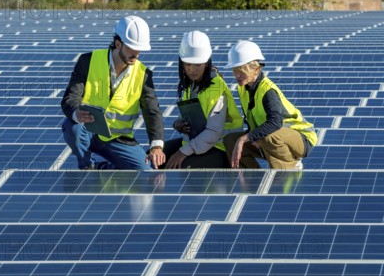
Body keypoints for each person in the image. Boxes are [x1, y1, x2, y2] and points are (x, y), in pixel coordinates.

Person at [61, 15, 166, 170]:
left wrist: (156, 145)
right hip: (89, 131)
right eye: (131, 47)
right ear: (118, 43)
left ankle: (104, 168)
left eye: (139, 50)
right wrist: (76, 112)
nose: (136, 54)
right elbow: (70, 97)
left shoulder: (144, 75)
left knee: (144, 172)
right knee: (73, 126)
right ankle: (86, 166)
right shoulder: (88, 61)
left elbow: (152, 112)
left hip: (119, 140)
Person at [223, 40, 317, 170]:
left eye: (241, 71)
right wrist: (251, 136)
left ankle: (290, 167)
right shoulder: (243, 88)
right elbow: (252, 119)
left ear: (256, 69)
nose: (237, 75)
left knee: (268, 137)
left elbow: (275, 122)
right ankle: (253, 181)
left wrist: (246, 138)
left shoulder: (268, 91)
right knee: (231, 140)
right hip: (270, 136)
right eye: (234, 70)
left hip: (301, 138)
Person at [163, 31, 243, 169]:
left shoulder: (217, 88)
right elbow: (189, 112)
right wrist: (178, 123)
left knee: (183, 166)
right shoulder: (191, 83)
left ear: (207, 63)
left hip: (221, 147)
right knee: (157, 157)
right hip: (198, 141)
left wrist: (182, 152)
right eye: (187, 64)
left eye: (197, 65)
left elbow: (213, 132)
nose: (191, 70)